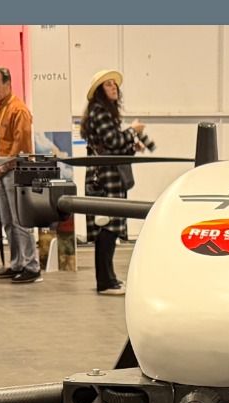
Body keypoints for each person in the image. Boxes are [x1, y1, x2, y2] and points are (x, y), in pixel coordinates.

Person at [80, 70, 154, 296]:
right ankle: (105, 282)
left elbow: (113, 143)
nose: (114, 88)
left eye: (115, 85)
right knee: (106, 227)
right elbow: (112, 141)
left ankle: (109, 278)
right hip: (104, 177)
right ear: (100, 92)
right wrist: (133, 130)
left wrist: (132, 145)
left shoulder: (103, 113)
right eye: (108, 85)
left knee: (109, 228)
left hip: (108, 176)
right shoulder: (100, 112)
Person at [0, 66, 41, 283]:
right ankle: (17, 262)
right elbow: (2, 144)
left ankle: (31, 266)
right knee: (8, 222)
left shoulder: (19, 110)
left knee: (21, 222)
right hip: (3, 173)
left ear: (8, 85)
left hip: (16, 173)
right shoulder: (1, 110)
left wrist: (2, 166)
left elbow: (22, 149)